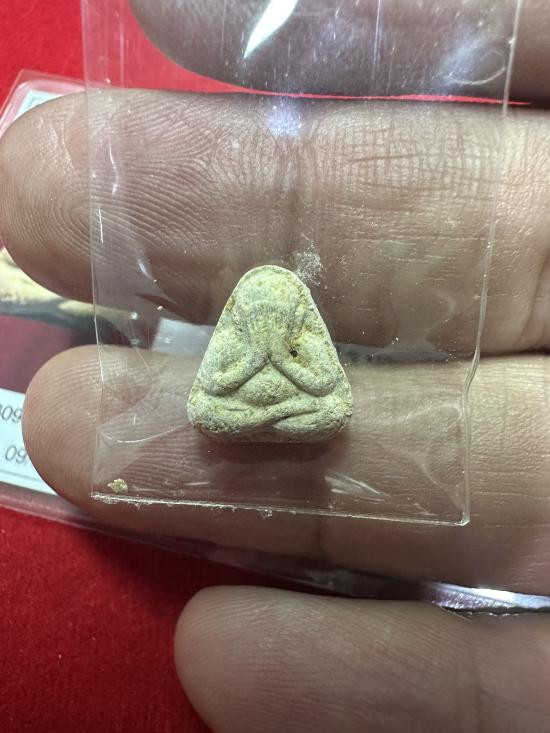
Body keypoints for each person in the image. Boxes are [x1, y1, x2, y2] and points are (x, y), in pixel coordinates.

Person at [1, 1, 549, 730]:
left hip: (289, 398)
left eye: (277, 326)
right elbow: (216, 395)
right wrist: (266, 375)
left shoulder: (288, 314)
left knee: (316, 407)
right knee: (222, 406)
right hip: (260, 395)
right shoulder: (258, 313)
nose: (267, 327)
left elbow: (325, 394)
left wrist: (282, 374)